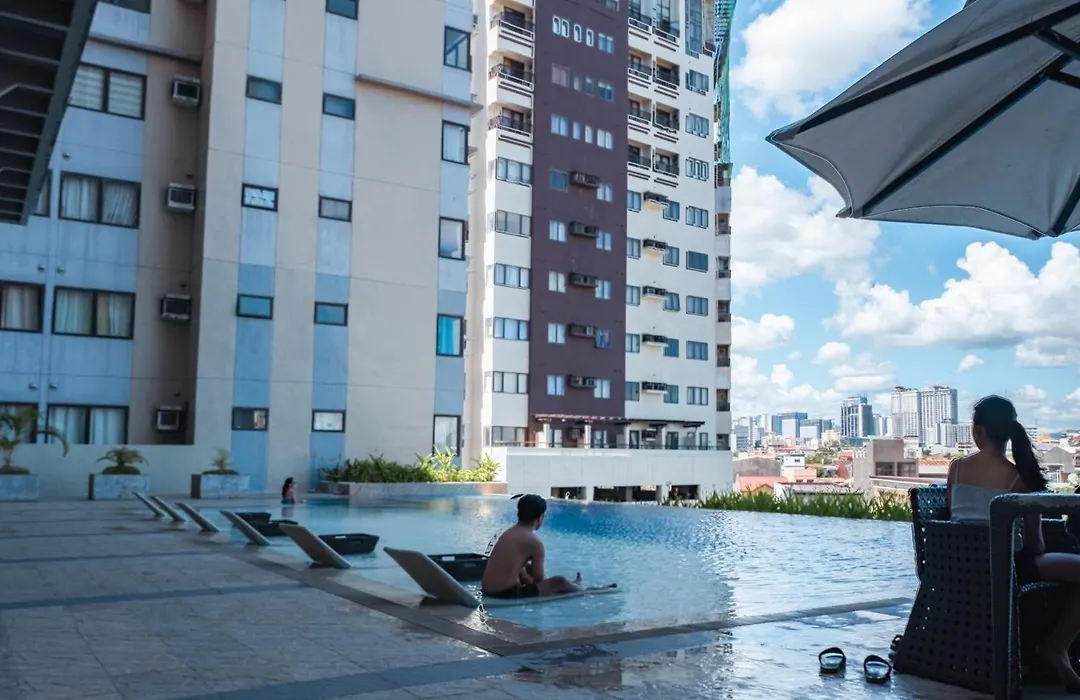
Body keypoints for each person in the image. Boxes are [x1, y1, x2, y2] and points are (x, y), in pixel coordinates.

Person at [948, 395, 1080, 691]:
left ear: (978, 430)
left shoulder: (955, 468)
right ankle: (1056, 646)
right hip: (1008, 567)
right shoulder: (1019, 477)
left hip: (959, 565)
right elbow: (1036, 544)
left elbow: (953, 516)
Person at [481, 494, 582, 599]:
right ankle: (580, 590)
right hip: (504, 594)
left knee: (527, 567)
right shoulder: (535, 543)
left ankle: (572, 585)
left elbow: (516, 568)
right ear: (540, 518)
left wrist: (527, 578)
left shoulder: (508, 533)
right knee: (559, 582)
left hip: (487, 589)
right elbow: (539, 579)